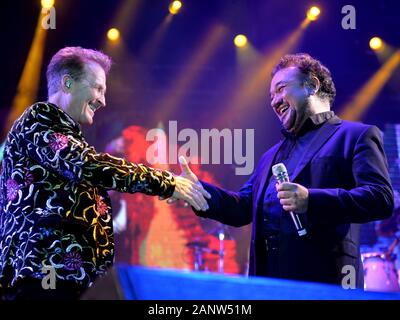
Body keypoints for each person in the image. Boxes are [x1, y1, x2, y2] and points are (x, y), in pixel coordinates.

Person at [0, 47, 210, 300]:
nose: (103, 100)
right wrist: (167, 182)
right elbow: (87, 165)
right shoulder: (39, 117)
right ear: (67, 83)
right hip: (45, 278)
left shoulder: (66, 137)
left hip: (68, 281)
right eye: (98, 88)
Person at [178, 53, 394, 288]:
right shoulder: (270, 156)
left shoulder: (355, 136)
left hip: (327, 284)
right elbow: (241, 208)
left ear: (312, 85)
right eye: (271, 96)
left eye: (281, 89)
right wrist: (197, 191)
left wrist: (311, 200)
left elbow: (380, 199)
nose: (274, 101)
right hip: (268, 285)